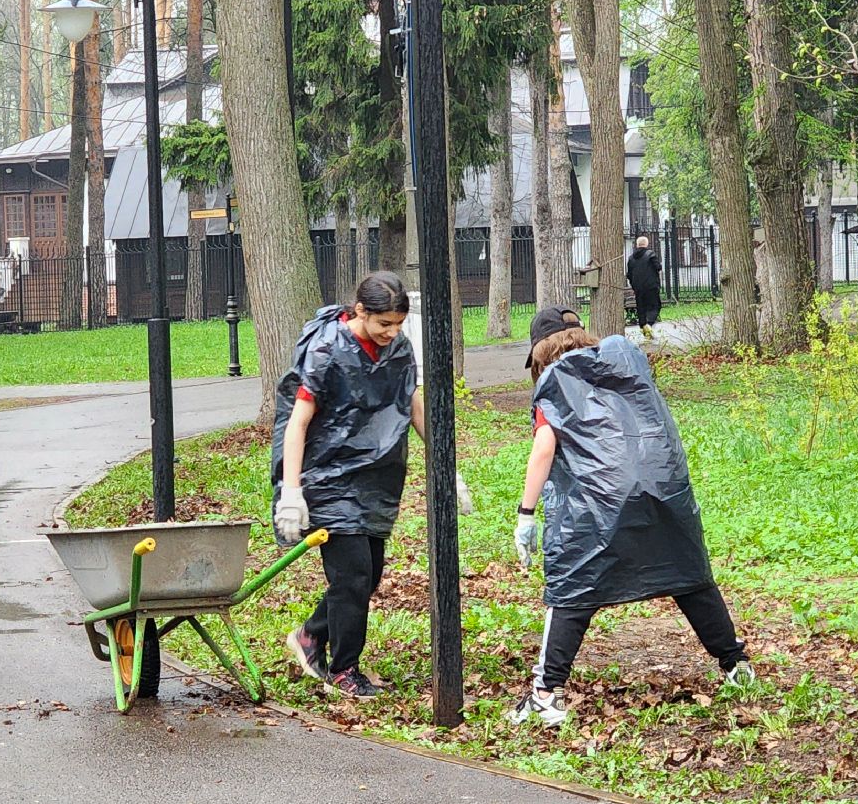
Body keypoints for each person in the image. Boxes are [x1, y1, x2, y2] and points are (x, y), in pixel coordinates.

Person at [508, 309, 753, 726]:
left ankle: (546, 693)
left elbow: (544, 449)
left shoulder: (555, 384)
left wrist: (526, 514)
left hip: (594, 508)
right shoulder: (627, 369)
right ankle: (736, 664)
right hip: (661, 493)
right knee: (689, 577)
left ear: (541, 353)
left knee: (571, 593)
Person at [273, 271, 471, 700]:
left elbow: (413, 406)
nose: (392, 332)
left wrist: (446, 467)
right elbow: (298, 422)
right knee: (353, 574)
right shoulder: (327, 351)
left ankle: (310, 635)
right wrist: (291, 491)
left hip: (375, 477)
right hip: (327, 476)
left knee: (369, 574)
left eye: (398, 324)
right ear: (360, 311)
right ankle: (344, 669)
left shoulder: (398, 348)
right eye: (384, 323)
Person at [625, 236, 662, 337]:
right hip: (651, 286)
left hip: (638, 288)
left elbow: (629, 274)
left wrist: (634, 285)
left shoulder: (631, 258)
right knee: (654, 306)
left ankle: (643, 327)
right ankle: (649, 324)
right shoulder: (650, 255)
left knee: (641, 308)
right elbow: (658, 267)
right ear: (646, 244)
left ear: (637, 245)